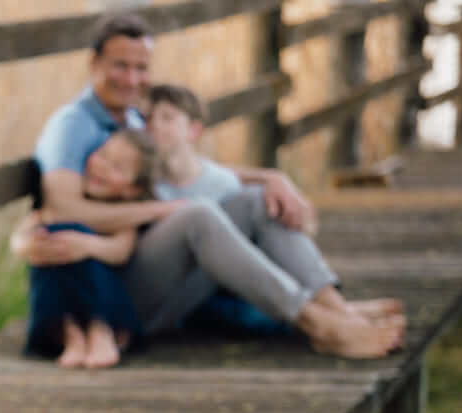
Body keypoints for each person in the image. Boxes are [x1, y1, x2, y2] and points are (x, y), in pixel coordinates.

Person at [24, 12, 404, 359]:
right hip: (113, 294)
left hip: (155, 267)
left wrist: (268, 176)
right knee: (198, 216)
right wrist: (163, 210)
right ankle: (315, 323)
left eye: (141, 68)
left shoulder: (134, 121)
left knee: (256, 201)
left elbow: (191, 172)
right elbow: (67, 207)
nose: (132, 79)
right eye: (120, 66)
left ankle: (334, 309)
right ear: (94, 64)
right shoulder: (73, 126)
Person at [144, 82, 404, 338]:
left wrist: (273, 181)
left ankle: (336, 308)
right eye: (148, 120)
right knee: (246, 311)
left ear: (194, 130)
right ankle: (324, 319)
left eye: (167, 118)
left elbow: (288, 230)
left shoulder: (220, 180)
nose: (154, 126)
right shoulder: (143, 183)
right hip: (181, 294)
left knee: (261, 200)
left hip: (223, 285)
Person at [12, 128, 153, 368]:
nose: (103, 166)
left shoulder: (120, 216)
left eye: (117, 167)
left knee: (71, 236)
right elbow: (18, 238)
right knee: (48, 236)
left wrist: (85, 245)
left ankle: (99, 331)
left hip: (109, 312)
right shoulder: (60, 204)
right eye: (102, 155)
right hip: (55, 319)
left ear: (133, 189)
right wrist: (29, 245)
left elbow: (121, 251)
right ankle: (71, 334)